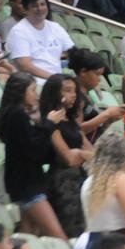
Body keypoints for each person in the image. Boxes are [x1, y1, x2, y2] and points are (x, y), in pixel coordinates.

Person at [0, 72, 68, 239]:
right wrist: (49, 123)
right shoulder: (17, 116)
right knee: (58, 236)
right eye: (33, 90)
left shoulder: (12, 115)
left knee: (28, 235)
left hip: (23, 182)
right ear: (21, 92)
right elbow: (34, 150)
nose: (36, 95)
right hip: (28, 184)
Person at [38, 74, 93, 237]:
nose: (73, 95)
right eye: (67, 90)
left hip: (80, 177)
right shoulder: (50, 122)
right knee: (70, 229)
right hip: (62, 182)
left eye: (74, 90)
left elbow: (90, 150)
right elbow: (68, 158)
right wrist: (83, 155)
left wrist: (81, 154)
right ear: (55, 93)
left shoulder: (71, 120)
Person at [6, 0, 74, 83]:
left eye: (43, 4)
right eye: (34, 6)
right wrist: (55, 79)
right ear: (26, 9)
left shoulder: (56, 27)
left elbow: (72, 53)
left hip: (56, 83)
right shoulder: (18, 31)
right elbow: (25, 66)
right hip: (33, 84)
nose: (40, 9)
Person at [68, 48, 125, 139]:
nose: (99, 79)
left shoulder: (86, 96)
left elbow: (94, 133)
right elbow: (76, 131)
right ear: (83, 72)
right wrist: (107, 114)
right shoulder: (76, 97)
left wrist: (108, 121)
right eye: (97, 74)